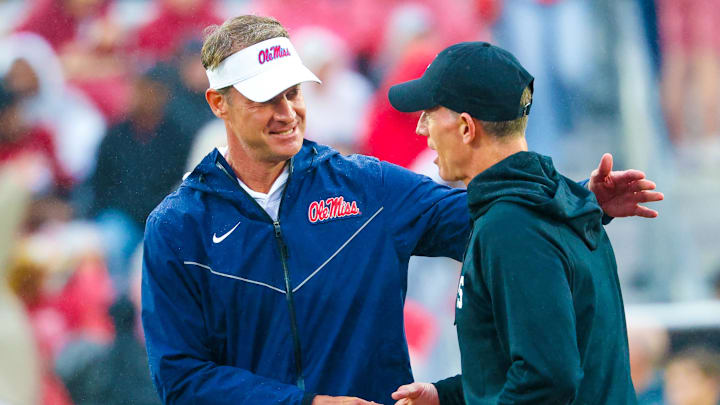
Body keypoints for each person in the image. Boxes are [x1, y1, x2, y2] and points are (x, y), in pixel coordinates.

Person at [141, 16, 662, 405]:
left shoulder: (366, 186)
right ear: (218, 104)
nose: (287, 113)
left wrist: (583, 199)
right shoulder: (177, 229)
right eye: (263, 98)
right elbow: (181, 378)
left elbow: (489, 217)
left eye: (293, 92)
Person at [388, 42, 646, 405]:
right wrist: (446, 396)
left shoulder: (511, 226)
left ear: (466, 128)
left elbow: (547, 379)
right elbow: (525, 366)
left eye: (430, 113)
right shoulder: (562, 203)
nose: (420, 129)